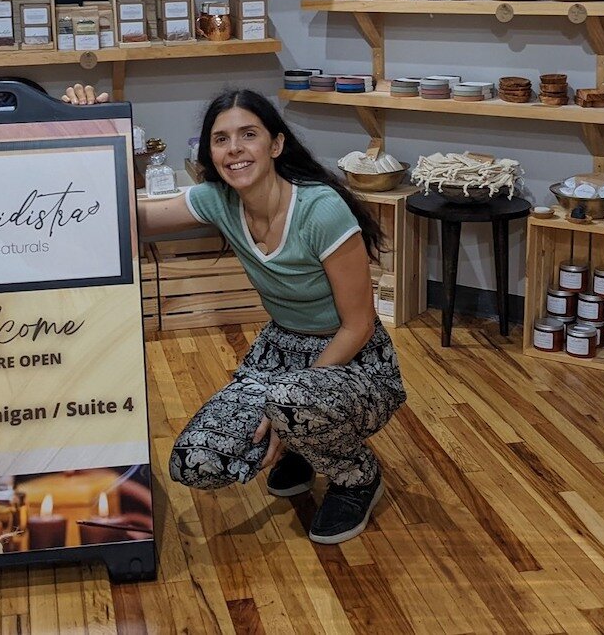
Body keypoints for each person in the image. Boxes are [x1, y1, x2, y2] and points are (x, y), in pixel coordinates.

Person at [63, 83, 406, 544]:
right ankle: (306, 445)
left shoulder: (321, 210)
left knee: (293, 404)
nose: (234, 149)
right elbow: (134, 221)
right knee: (195, 461)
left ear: (276, 143)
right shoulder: (218, 200)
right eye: (221, 139)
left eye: (249, 135)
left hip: (353, 360)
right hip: (278, 354)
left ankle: (356, 475)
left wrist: (289, 414)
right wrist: (91, 132)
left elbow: (359, 324)